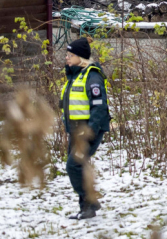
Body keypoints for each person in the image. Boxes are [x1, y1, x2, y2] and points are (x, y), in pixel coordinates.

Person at [60, 37, 110, 220]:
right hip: (75, 129)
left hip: (88, 129)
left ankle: (91, 201)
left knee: (73, 165)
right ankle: (86, 209)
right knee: (80, 167)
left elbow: (99, 107)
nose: (66, 58)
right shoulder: (74, 75)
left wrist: (90, 130)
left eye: (70, 55)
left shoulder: (92, 76)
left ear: (80, 57)